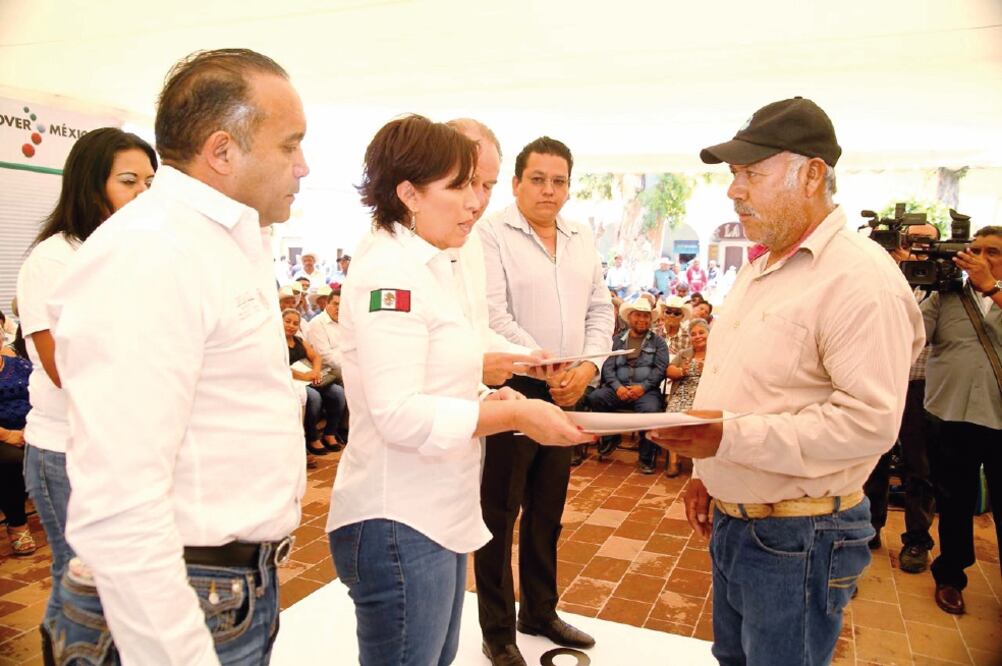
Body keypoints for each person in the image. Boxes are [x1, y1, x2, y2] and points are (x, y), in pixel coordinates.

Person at [48, 48, 309, 664]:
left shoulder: (218, 242)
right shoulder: (150, 254)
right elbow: (119, 504)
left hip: (223, 588)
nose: (303, 166)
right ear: (222, 151)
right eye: (289, 146)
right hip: (178, 596)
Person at [648, 97, 924, 666]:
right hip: (740, 523)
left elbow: (869, 424)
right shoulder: (761, 266)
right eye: (733, 174)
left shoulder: (859, 279)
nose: (734, 191)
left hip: (801, 536)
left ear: (812, 175)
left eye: (751, 174)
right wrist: (707, 472)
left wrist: (726, 440)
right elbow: (737, 383)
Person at [325, 115, 590, 666]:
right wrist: (513, 416)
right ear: (409, 194)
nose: (475, 203)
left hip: (436, 507)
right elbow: (399, 413)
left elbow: (448, 359)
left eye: (480, 186)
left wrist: (500, 386)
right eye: (461, 186)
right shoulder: (391, 274)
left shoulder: (429, 262)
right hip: (398, 514)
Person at [15, 126, 157, 660]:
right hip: (66, 449)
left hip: (124, 445)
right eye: (128, 181)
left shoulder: (135, 254)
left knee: (119, 584)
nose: (143, 193)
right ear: (90, 185)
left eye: (150, 182)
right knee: (80, 584)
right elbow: (63, 368)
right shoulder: (54, 260)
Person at [477, 136, 613, 665]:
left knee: (548, 510)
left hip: (569, 388)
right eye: (537, 179)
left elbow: (601, 308)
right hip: (514, 388)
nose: (548, 190)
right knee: (499, 512)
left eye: (559, 181)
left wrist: (588, 366)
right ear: (516, 183)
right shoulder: (491, 233)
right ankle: (497, 629)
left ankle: (539, 611)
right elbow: (493, 314)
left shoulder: (582, 236)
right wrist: (546, 363)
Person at [921, 225, 1002, 615]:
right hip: (951, 414)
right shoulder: (946, 296)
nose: (981, 258)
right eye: (975, 250)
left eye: (993, 252)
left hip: (999, 418)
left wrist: (990, 288)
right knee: (953, 501)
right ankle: (951, 577)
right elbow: (910, 334)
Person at [862, 223, 939, 566]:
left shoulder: (944, 286)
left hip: (921, 385)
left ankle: (918, 540)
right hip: (880, 380)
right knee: (873, 457)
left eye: (925, 242)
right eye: (909, 241)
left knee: (919, 466)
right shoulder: (883, 279)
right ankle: (869, 527)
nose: (916, 249)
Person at [586, 298, 668, 474]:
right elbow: (607, 367)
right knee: (595, 397)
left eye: (646, 316)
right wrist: (617, 387)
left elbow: (660, 369)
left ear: (650, 319)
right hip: (618, 389)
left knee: (651, 411)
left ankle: (646, 458)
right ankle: (611, 436)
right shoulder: (616, 340)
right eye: (638, 315)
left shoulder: (659, 342)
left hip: (646, 391)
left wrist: (643, 387)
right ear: (629, 317)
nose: (642, 319)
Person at [283, 308, 346, 460]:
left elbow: (316, 357)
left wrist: (315, 371)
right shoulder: (276, 343)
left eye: (295, 323)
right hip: (292, 380)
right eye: (288, 322)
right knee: (314, 397)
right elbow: (280, 366)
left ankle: (330, 433)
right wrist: (304, 376)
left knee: (338, 393)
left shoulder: (299, 340)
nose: (291, 326)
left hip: (310, 377)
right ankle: (312, 438)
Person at [662, 318, 710, 477]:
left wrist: (708, 371)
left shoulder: (717, 353)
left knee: (700, 417)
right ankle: (674, 461)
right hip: (682, 392)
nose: (698, 336)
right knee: (672, 416)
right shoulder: (684, 354)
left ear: (709, 334)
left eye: (701, 332)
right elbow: (669, 371)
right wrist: (681, 370)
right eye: (693, 334)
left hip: (704, 393)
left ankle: (699, 464)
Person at [0, 351, 35, 557]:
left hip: (32, 428)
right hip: (3, 437)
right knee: (12, 461)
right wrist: (7, 435)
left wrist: (32, 428)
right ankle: (17, 525)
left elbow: (41, 397)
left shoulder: (21, 365)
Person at [306, 286, 344, 382]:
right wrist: (350, 364)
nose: (339, 308)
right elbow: (325, 357)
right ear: (327, 304)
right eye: (335, 304)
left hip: (343, 366)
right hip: (326, 371)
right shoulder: (316, 323)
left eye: (342, 305)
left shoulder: (345, 321)